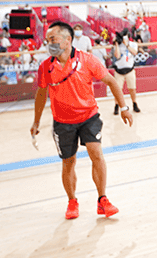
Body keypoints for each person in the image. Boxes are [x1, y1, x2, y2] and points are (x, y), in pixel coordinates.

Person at [31, 22, 133, 220]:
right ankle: (72, 201)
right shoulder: (45, 67)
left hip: (89, 117)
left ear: (68, 40)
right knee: (69, 162)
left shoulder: (88, 60)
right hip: (62, 122)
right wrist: (35, 122)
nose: (49, 43)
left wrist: (124, 108)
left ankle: (102, 199)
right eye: (48, 40)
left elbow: (112, 82)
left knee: (96, 153)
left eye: (53, 39)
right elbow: (41, 94)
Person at [111, 31, 141, 114]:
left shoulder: (133, 44)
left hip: (130, 70)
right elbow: (117, 55)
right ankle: (116, 105)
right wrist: (116, 44)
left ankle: (134, 103)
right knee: (118, 89)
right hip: (119, 71)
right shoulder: (117, 45)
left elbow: (135, 52)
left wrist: (126, 45)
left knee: (132, 89)